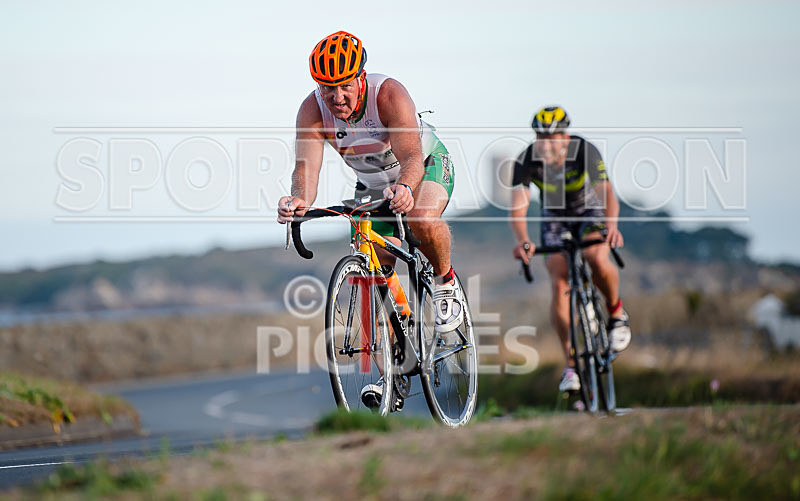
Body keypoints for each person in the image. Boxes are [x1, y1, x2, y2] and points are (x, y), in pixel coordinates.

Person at [277, 31, 462, 407]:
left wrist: (407, 188)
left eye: (345, 87)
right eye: (328, 89)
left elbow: (410, 155)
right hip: (373, 185)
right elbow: (306, 169)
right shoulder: (312, 111)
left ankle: (445, 282)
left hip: (423, 167)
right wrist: (298, 200)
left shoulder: (388, 94)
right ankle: (391, 369)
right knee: (370, 269)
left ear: (361, 77)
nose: (337, 98)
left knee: (421, 218)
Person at [509, 105, 631, 393]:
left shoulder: (584, 150)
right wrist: (523, 241)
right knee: (558, 274)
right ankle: (571, 365)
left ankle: (616, 313)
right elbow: (518, 209)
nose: (546, 143)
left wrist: (611, 225)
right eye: (541, 137)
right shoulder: (526, 160)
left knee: (596, 257)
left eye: (553, 137)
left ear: (565, 136)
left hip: (589, 210)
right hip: (555, 215)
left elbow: (606, 194)